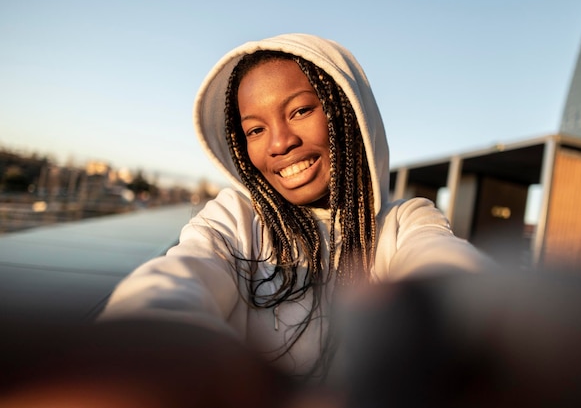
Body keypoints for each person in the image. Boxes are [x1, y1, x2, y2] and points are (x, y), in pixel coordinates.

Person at [98, 33, 496, 382]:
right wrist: (144, 335)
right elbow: (179, 278)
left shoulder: (403, 223)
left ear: (347, 112)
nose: (279, 143)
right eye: (255, 129)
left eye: (301, 110)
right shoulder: (236, 218)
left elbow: (449, 276)